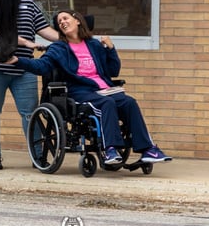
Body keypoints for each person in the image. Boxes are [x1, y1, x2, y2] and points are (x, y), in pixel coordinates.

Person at [9, 9, 171, 166]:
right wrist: (18, 61)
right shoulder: (58, 48)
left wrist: (111, 49)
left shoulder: (94, 45)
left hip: (105, 89)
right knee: (106, 104)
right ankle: (110, 150)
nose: (62, 22)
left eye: (65, 18)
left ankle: (148, 150)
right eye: (59, 22)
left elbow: (113, 70)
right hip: (80, 92)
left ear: (77, 20)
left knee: (129, 103)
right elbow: (41, 66)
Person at [0, 0, 59, 170]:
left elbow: (44, 29)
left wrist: (71, 38)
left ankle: (37, 156)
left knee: (30, 113)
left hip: (24, 67)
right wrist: (27, 43)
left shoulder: (28, 2)